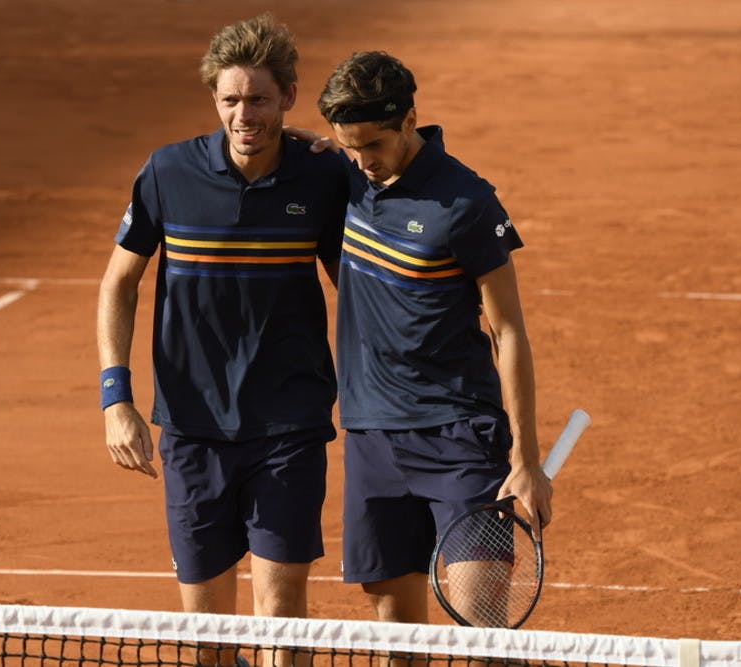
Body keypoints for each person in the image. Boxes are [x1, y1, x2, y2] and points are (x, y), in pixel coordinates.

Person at [96, 12, 347, 634]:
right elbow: (118, 282)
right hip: (192, 428)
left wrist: (345, 153)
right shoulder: (167, 172)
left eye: (259, 99)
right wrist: (115, 398)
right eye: (230, 99)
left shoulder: (323, 176)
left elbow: (363, 283)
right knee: (205, 636)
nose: (244, 116)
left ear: (288, 96)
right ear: (214, 97)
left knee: (280, 622)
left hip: (289, 424)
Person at [316, 51, 553, 624]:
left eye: (373, 144)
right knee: (396, 642)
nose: (362, 160)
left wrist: (526, 457)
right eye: (349, 146)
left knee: (480, 632)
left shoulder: (466, 203)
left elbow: (509, 330)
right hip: (372, 435)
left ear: (409, 119)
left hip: (459, 439)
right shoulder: (347, 174)